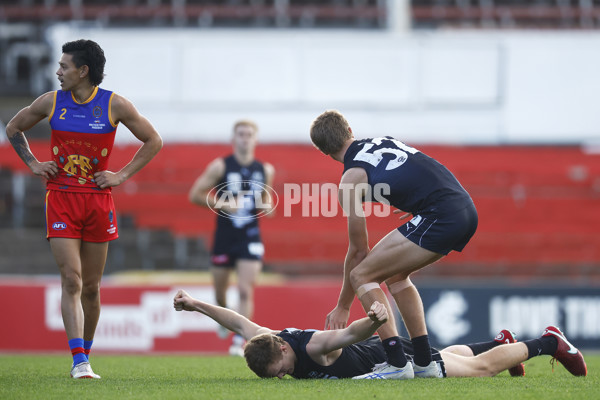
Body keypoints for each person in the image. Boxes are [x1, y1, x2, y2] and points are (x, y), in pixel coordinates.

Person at [5, 39, 163, 379]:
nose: (58, 72)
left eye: (64, 67)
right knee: (72, 280)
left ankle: (86, 355)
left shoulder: (114, 105)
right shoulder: (51, 102)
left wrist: (120, 175)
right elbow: (13, 128)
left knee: (91, 288)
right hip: (61, 197)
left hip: (97, 200)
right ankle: (79, 361)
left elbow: (153, 140)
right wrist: (33, 163)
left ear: (83, 71)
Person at [309, 110, 479, 379]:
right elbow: (421, 170)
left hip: (441, 214)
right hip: (462, 206)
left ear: (322, 151)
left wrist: (343, 305)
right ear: (350, 130)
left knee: (361, 273)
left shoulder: (351, 179)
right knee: (396, 276)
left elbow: (359, 251)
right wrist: (416, 202)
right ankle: (425, 363)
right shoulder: (383, 141)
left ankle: (397, 363)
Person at [172, 289, 587, 379]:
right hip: (386, 352)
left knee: (476, 371)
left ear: (283, 347)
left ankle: (548, 342)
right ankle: (501, 343)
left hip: (391, 358)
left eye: (283, 367)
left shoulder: (313, 346)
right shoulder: (267, 339)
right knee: (449, 354)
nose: (284, 374)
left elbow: (348, 334)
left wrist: (372, 319)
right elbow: (236, 321)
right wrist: (195, 305)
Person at [188, 120, 275, 356]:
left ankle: (240, 339)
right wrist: (223, 203)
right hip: (225, 237)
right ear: (234, 138)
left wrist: (267, 206)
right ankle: (224, 317)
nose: (245, 138)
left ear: (255, 139)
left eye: (249, 134)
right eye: (241, 134)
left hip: (250, 236)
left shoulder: (265, 170)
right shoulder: (220, 166)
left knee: (246, 290)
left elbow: (266, 200)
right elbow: (195, 194)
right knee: (220, 294)